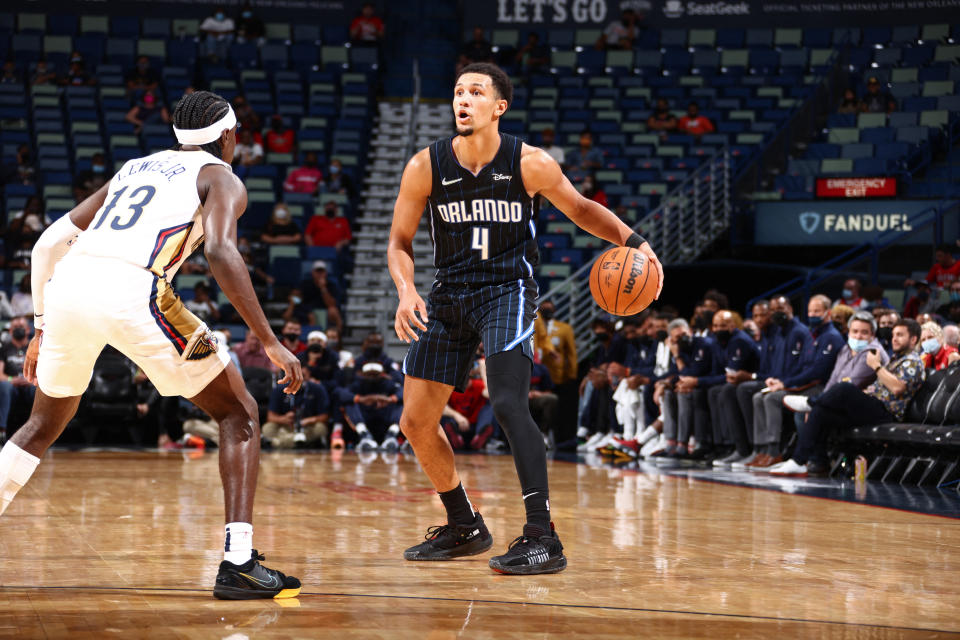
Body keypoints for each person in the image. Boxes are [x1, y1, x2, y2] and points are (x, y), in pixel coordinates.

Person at [0, 91, 302, 599]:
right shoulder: (220, 176)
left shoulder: (136, 166)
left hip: (70, 286)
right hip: (136, 289)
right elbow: (223, 252)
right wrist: (269, 341)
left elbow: (47, 245)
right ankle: (239, 563)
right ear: (229, 137)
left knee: (40, 425)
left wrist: (43, 327)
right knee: (240, 414)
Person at [387, 63, 663, 574]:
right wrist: (405, 290)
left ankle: (543, 537)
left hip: (507, 290)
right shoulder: (424, 166)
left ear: (499, 107)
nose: (462, 99)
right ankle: (464, 523)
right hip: (448, 293)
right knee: (415, 421)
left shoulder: (529, 163)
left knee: (510, 403)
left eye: (475, 92)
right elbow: (399, 243)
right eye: (457, 91)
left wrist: (637, 243)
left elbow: (581, 209)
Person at [771, 319, 923, 477]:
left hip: (886, 413)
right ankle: (800, 461)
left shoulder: (913, 362)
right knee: (820, 412)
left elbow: (898, 388)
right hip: (873, 406)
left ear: (913, 339)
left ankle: (810, 401)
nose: (894, 339)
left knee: (845, 388)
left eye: (900, 335)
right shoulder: (896, 359)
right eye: (893, 335)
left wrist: (876, 366)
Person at [744, 294, 846, 470]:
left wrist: (785, 384)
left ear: (827, 313)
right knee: (759, 397)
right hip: (806, 384)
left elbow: (817, 373)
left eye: (817, 311)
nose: (812, 314)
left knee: (772, 398)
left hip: (819, 387)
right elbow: (806, 368)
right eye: (810, 310)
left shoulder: (830, 337)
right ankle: (762, 450)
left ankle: (775, 452)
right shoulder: (815, 335)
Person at [713, 296, 812, 469]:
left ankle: (769, 450)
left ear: (790, 309)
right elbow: (769, 370)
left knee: (750, 392)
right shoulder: (774, 334)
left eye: (765, 314)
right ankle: (756, 449)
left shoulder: (795, 332)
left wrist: (771, 380)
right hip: (775, 382)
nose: (760, 319)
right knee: (739, 391)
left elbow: (802, 369)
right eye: (756, 315)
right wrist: (766, 379)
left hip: (791, 385)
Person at [782, 309, 890, 413]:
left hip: (864, 402)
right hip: (839, 397)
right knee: (810, 413)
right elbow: (834, 378)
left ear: (872, 335)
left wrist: (820, 401)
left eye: (864, 332)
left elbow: (852, 383)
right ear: (848, 332)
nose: (858, 336)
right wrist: (822, 399)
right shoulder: (845, 349)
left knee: (818, 412)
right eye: (855, 331)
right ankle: (813, 404)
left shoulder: (873, 351)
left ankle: (813, 403)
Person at [339, 362, 402, 450]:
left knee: (400, 403)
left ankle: (391, 435)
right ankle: (364, 435)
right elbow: (342, 394)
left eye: (375, 374)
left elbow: (403, 392)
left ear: (382, 374)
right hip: (364, 418)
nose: (372, 377)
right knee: (350, 403)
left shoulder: (388, 383)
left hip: (385, 418)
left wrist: (390, 399)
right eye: (369, 374)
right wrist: (361, 399)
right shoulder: (358, 384)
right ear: (363, 375)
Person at [262, 368, 329, 449]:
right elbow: (270, 417)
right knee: (268, 428)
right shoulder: (279, 390)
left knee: (320, 428)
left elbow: (325, 416)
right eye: (296, 376)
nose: (299, 380)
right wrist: (283, 419)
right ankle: (299, 443)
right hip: (287, 427)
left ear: (308, 374)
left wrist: (310, 420)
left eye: (302, 376)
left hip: (307, 427)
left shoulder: (318, 389)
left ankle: (282, 442)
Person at [0, 317, 38, 440]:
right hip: (12, 388)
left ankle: (38, 431)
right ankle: (2, 431)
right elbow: (0, 375)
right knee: (5, 386)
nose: (18, 330)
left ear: (28, 330)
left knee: (37, 388)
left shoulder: (35, 348)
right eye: (15, 327)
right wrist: (12, 379)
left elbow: (42, 373)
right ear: (10, 331)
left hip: (31, 384)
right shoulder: (4, 349)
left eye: (21, 327)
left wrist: (30, 379)